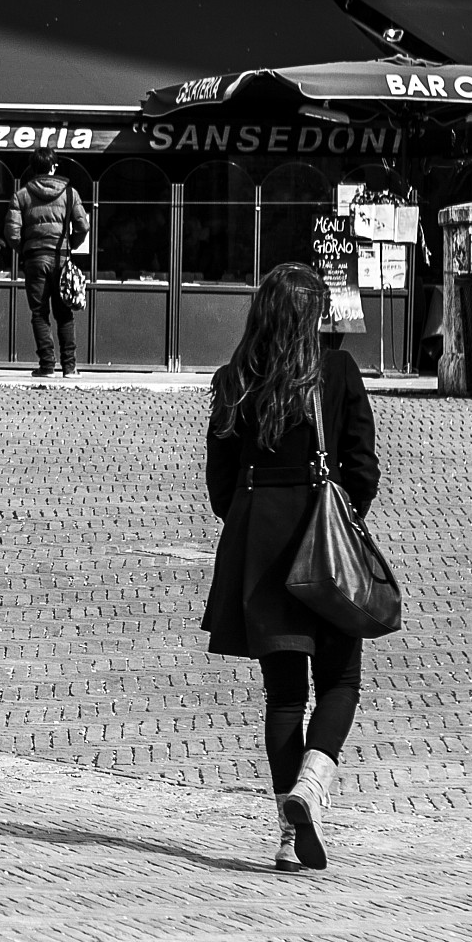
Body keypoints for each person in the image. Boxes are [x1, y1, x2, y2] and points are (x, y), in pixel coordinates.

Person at [201, 263, 380, 873]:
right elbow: (361, 468)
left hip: (260, 546)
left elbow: (220, 486)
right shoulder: (337, 372)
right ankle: (312, 786)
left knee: (283, 694)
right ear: (314, 315)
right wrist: (340, 516)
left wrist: (253, 521)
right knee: (340, 680)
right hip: (320, 544)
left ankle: (286, 834)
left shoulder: (234, 380)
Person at [5, 150, 88, 377]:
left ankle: (47, 366)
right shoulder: (70, 194)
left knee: (39, 313)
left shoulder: (21, 195)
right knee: (64, 313)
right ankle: (69, 367)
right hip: (61, 259)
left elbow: (12, 233)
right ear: (53, 167)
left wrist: (25, 249)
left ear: (33, 168)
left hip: (35, 260)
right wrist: (71, 245)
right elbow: (83, 226)